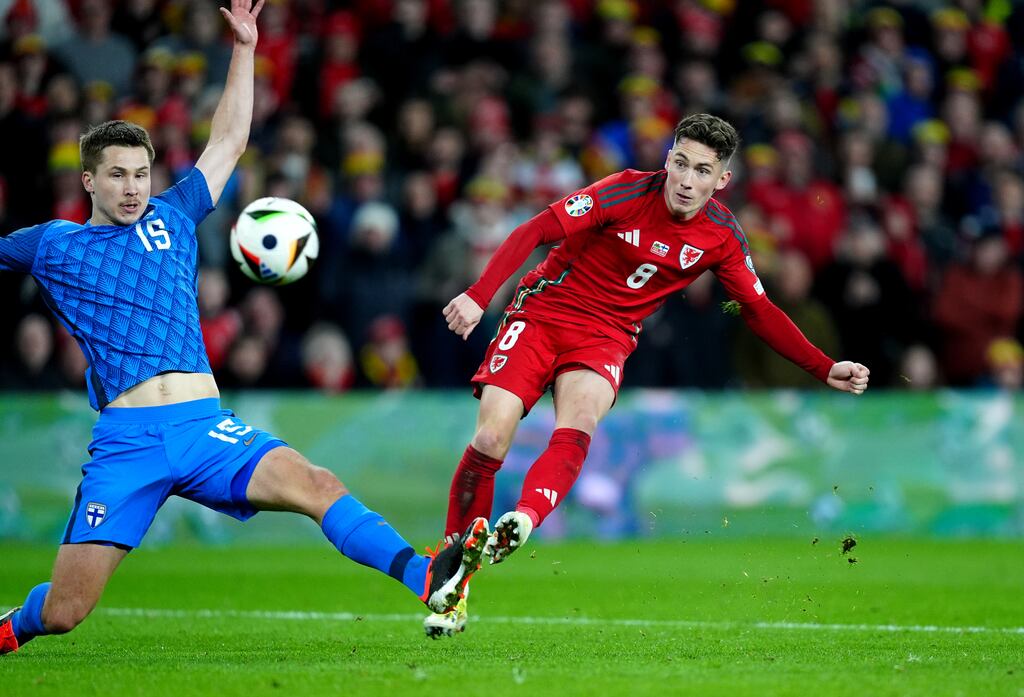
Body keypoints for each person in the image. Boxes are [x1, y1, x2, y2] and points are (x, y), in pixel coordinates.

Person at [0, 0, 488, 657]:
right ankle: (9, 628)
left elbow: (228, 141)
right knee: (64, 612)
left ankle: (428, 577)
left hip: (205, 425)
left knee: (317, 484)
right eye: (117, 175)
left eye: (141, 173)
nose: (133, 187)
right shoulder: (51, 244)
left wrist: (245, 48)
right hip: (128, 442)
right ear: (88, 179)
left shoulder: (173, 215)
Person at [425, 113, 870, 637]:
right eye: (681, 163)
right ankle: (453, 579)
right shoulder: (624, 191)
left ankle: (521, 520)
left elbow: (759, 310)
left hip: (607, 335)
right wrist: (479, 296)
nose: (687, 180)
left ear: (722, 179)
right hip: (543, 313)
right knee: (490, 439)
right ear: (668, 159)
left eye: (702, 171)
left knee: (581, 419)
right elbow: (536, 229)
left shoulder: (722, 235)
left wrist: (823, 366)